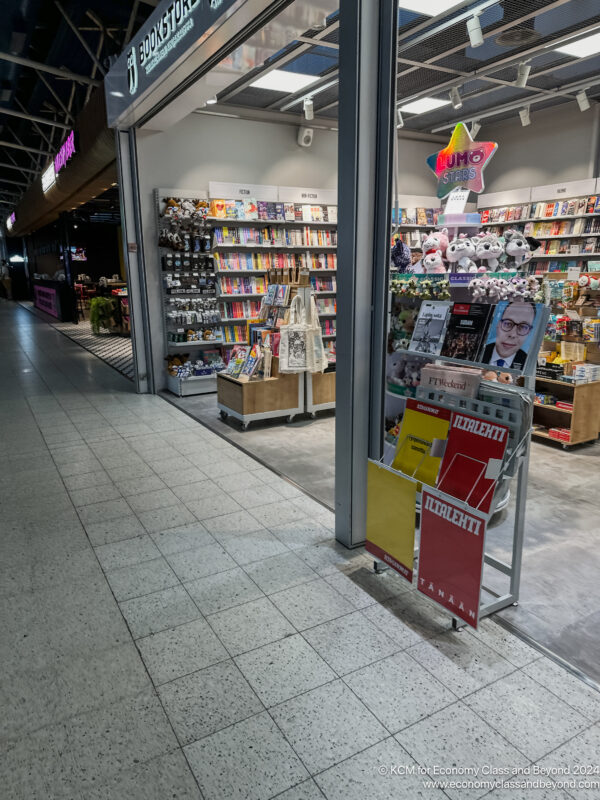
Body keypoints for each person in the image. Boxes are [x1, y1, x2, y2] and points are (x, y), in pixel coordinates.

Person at [481, 300, 536, 369]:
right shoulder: (477, 353)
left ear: (529, 332)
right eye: (508, 323)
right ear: (498, 324)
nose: (512, 335)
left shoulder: (530, 365)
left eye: (523, 327)